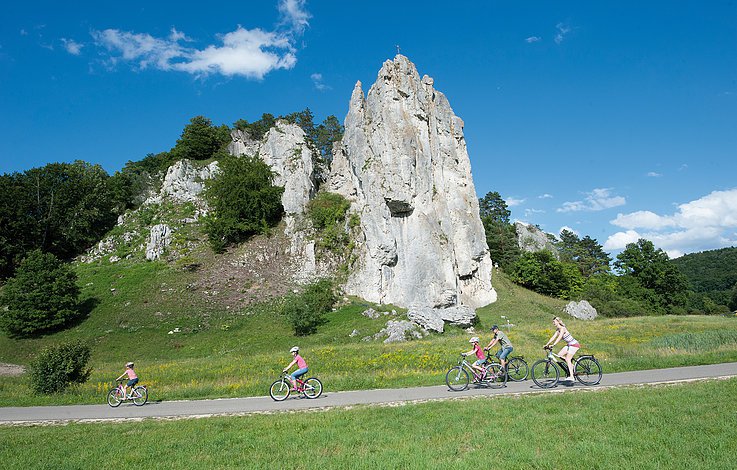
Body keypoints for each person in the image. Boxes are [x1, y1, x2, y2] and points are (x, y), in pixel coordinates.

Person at [544, 316, 581, 382]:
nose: (553, 323)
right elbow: (553, 337)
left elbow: (559, 337)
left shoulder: (562, 329)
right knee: (559, 355)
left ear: (558, 321)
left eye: (554, 322)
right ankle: (571, 366)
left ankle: (572, 377)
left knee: (567, 359)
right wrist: (547, 344)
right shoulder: (557, 330)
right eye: (553, 322)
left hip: (574, 345)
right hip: (569, 345)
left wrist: (553, 345)